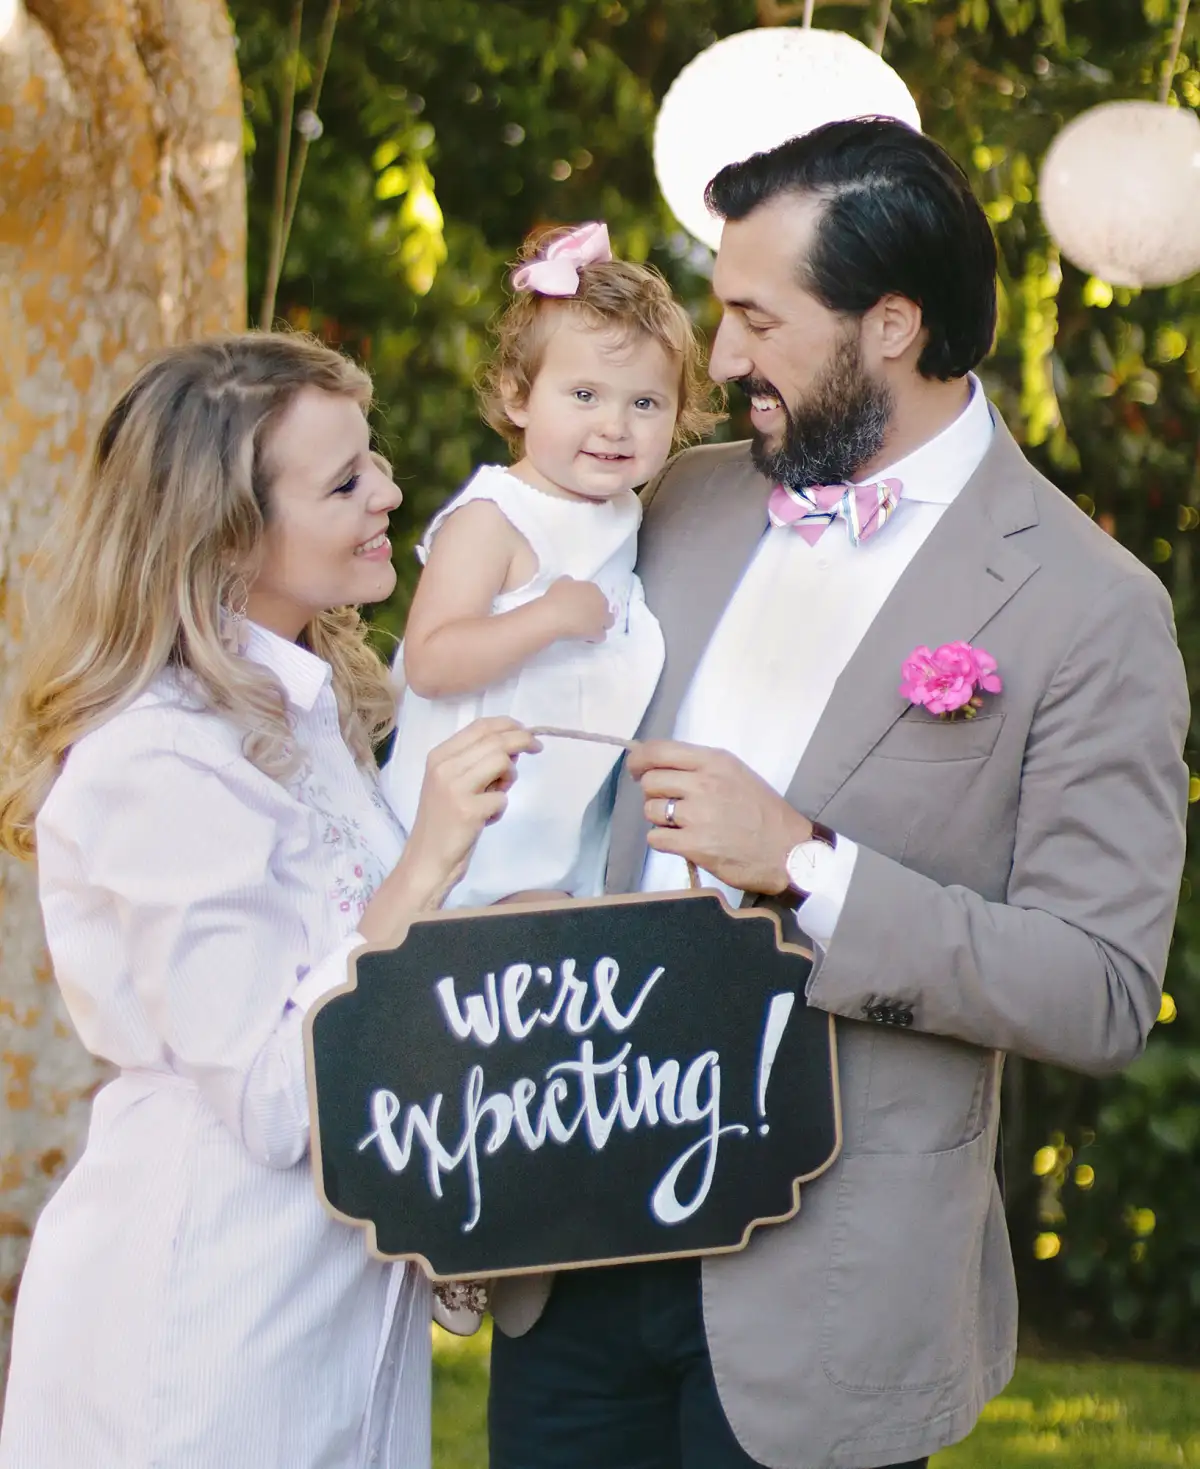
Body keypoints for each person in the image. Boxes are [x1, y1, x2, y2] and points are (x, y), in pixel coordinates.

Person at [486, 119, 1190, 1469]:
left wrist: (808, 863)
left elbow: (1099, 985)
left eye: (758, 318)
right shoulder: (672, 504)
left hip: (825, 1293)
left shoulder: (1091, 607)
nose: (722, 357)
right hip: (573, 1244)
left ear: (893, 324)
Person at [0, 333, 540, 1469]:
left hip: (334, 1307)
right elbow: (270, 1092)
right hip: (209, 1317)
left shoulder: (308, 710)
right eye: (343, 483)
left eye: (372, 458)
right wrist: (426, 862)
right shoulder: (159, 754)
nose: (388, 490)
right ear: (228, 533)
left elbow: (359, 968)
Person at [382, 221, 720, 913]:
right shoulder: (495, 516)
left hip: (555, 837)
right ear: (518, 397)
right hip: (468, 840)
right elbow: (431, 662)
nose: (615, 426)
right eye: (585, 395)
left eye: (645, 403)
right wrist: (547, 617)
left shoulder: (623, 512)